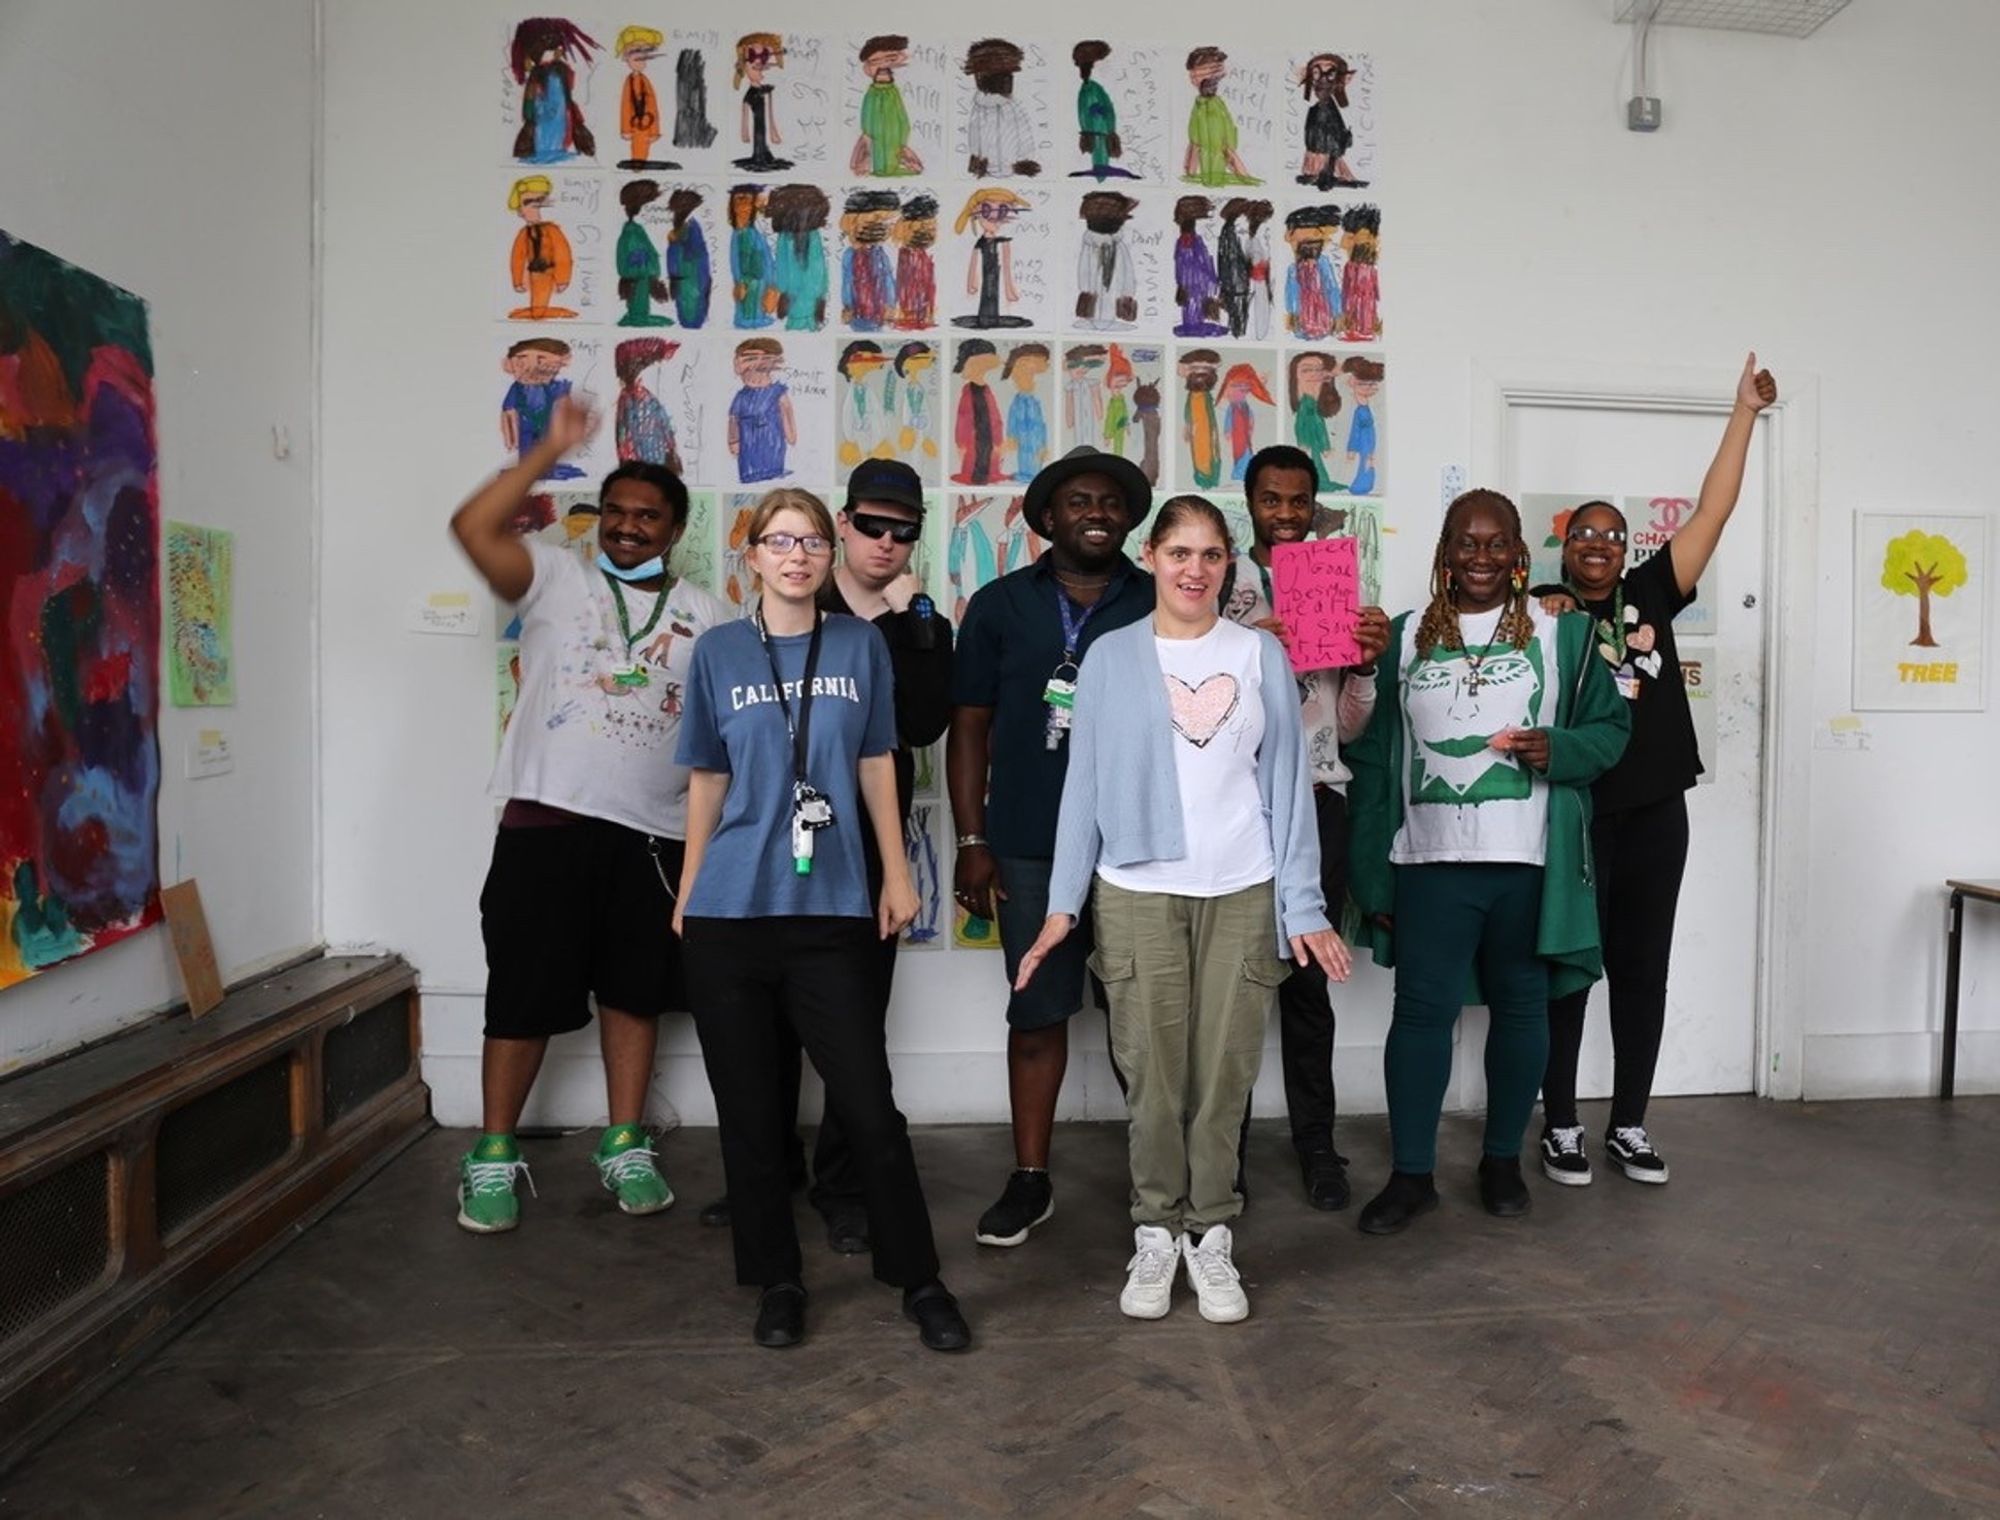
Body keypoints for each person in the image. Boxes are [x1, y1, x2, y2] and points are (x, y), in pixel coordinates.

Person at [1016, 496, 1351, 1322]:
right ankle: (1155, 1228)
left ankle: (1211, 1231)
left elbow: (1287, 789)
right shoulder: (1110, 656)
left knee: (1224, 1073)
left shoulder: (1260, 655)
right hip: (1137, 891)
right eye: (1178, 553)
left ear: (1228, 563)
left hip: (1242, 888)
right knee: (1155, 1075)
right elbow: (1083, 788)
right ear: (1152, 557)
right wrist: (1063, 906)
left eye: (1210, 555)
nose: (1194, 570)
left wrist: (1301, 904)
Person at [675, 488, 969, 1352]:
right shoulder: (719, 653)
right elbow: (707, 777)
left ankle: (920, 1280)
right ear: (753, 555)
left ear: (825, 551)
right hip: (731, 912)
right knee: (752, 1115)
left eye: (808, 540)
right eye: (778, 540)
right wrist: (690, 887)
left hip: (832, 906)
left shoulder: (860, 645)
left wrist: (897, 874)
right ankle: (778, 1279)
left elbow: (880, 760)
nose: (796, 555)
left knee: (869, 1106)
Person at [448, 396, 731, 1234]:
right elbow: (472, 527)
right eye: (615, 512)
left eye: (647, 516)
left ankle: (624, 1139)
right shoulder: (554, 578)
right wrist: (549, 449)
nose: (628, 527)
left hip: (654, 836)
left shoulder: (709, 614)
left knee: (634, 994)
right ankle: (493, 1154)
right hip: (549, 825)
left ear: (675, 530)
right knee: (524, 993)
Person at [1345, 490, 1631, 1235]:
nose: (1480, 557)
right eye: (1465, 544)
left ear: (1517, 554)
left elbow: (1611, 729)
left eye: (1495, 543)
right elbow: (1372, 762)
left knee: (1522, 1010)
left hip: (1527, 863)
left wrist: (1559, 750)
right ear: (1445, 551)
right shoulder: (1404, 639)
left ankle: (1501, 1159)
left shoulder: (1561, 636)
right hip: (1431, 862)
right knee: (1420, 1016)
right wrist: (1373, 874)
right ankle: (1412, 1176)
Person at [1536, 355, 1778, 1188]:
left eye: (1612, 534)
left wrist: (1742, 412)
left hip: (1654, 812)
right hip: (1572, 812)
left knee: (1645, 965)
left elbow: (1716, 507)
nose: (1598, 545)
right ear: (1563, 546)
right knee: (1569, 966)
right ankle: (1560, 1123)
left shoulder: (1653, 591)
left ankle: (1629, 1123)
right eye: (1584, 534)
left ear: (1626, 547)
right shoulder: (1539, 611)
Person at [948, 446, 1155, 1248]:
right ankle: (1030, 1180)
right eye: (1077, 502)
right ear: (1047, 518)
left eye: (1111, 500)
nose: (1096, 512)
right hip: (1029, 845)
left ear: (1131, 517)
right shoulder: (1000, 606)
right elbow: (969, 725)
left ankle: (1163, 1177)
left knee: (1147, 1018)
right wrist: (973, 839)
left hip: (1140, 845)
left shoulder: (1159, 598)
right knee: (1036, 1015)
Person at [1219, 446, 1391, 1210]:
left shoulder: (1333, 583)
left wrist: (1362, 668)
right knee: (1232, 991)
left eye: (1298, 501)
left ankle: (1318, 1147)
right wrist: (1259, 646)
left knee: (1306, 987)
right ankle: (1226, 1155)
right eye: (1270, 499)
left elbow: (1347, 731)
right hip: (1233, 808)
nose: (1285, 513)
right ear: (1248, 500)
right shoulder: (1220, 585)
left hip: (1318, 800)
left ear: (1314, 504)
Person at [507, 176, 576, 320]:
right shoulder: (524, 233)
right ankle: (538, 313)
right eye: (528, 205)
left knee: (541, 303)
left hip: (548, 271)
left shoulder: (552, 230)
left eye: (539, 205)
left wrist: (563, 279)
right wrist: (517, 281)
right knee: (537, 302)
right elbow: (517, 258)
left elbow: (562, 255)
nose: (535, 211)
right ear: (520, 211)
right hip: (533, 273)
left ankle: (540, 314)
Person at [853, 36, 924, 176]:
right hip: (876, 146)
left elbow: (902, 119)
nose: (883, 66)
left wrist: (902, 145)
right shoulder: (872, 94)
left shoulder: (893, 93)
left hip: (896, 141)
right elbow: (867, 124)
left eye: (890, 59)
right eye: (875, 61)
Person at [615, 26, 676, 170]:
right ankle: (638, 165)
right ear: (626, 57)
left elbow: (652, 106)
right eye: (635, 53)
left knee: (643, 145)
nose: (640, 58)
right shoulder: (629, 82)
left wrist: (654, 131)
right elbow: (625, 106)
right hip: (635, 124)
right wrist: (625, 129)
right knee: (638, 146)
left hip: (647, 122)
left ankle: (639, 165)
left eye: (644, 53)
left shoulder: (645, 81)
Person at [732, 33, 792, 171]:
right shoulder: (750, 93)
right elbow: (745, 115)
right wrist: (744, 134)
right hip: (754, 94)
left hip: (759, 93)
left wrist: (776, 55)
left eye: (761, 68)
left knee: (761, 127)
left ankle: (763, 152)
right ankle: (759, 153)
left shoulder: (764, 89)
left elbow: (769, 61)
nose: (761, 72)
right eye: (756, 68)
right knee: (759, 129)